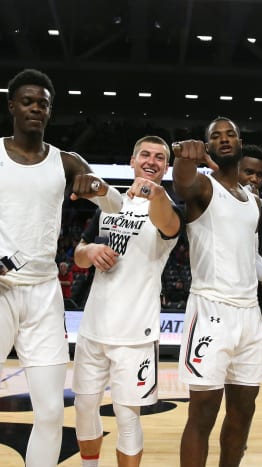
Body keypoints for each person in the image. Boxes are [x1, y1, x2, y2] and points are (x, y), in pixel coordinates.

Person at [0, 68, 124, 467]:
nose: (36, 108)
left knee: (52, 413)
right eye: (28, 101)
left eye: (43, 103)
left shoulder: (66, 162)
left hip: (43, 294)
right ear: (12, 106)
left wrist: (100, 188)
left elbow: (116, 207)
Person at [172, 117, 262, 467]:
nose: (224, 139)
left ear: (240, 143)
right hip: (211, 311)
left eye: (230, 135)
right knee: (203, 412)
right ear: (208, 146)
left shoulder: (252, 202)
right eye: (215, 136)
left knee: (243, 410)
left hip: (248, 316)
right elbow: (181, 184)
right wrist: (184, 155)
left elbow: (250, 254)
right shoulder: (202, 187)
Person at [72, 135, 183, 467]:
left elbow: (168, 223)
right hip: (93, 328)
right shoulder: (110, 206)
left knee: (127, 416)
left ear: (166, 167)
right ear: (132, 161)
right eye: (145, 155)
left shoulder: (168, 209)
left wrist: (154, 191)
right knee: (83, 407)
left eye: (159, 158)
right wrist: (89, 252)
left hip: (135, 334)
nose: (151, 161)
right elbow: (78, 255)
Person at [238, 144, 262, 364]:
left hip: (257, 300)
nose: (254, 179)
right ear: (236, 171)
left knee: (252, 370)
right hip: (222, 299)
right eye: (248, 172)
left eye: (259, 174)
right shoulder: (219, 205)